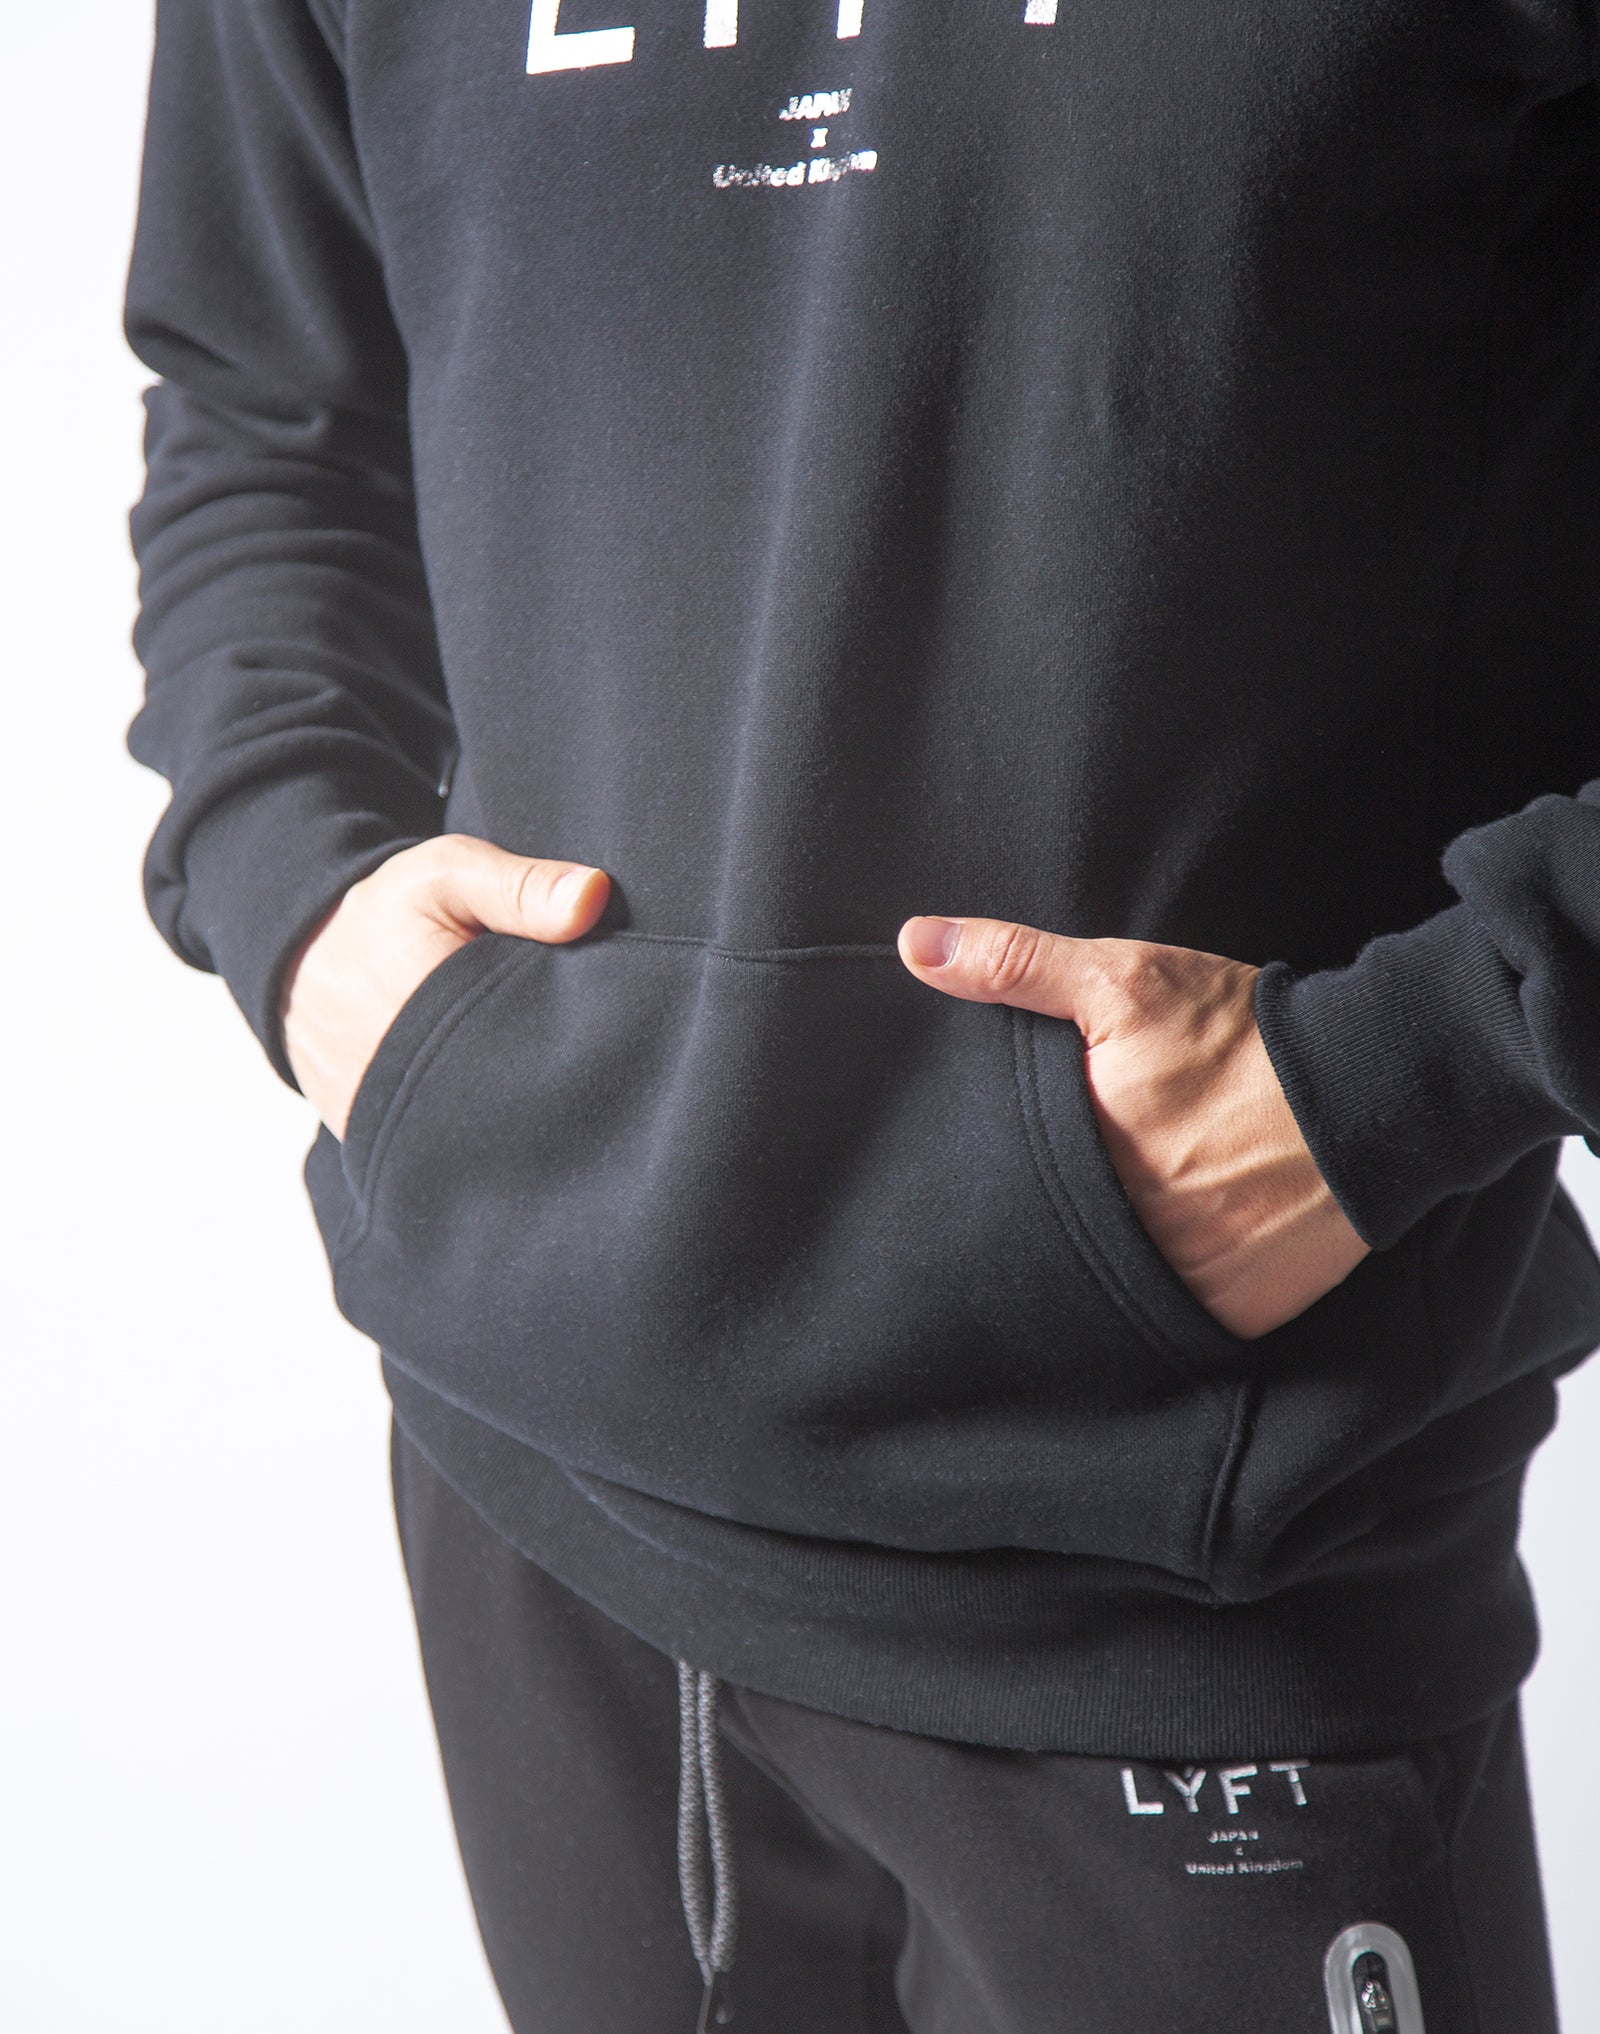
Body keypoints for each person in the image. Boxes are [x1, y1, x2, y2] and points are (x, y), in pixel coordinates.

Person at [122, 2, 1600, 2028]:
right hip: (528, 1471)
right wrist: (296, 898)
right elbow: (262, 390)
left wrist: (1418, 1063)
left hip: (1181, 1546)